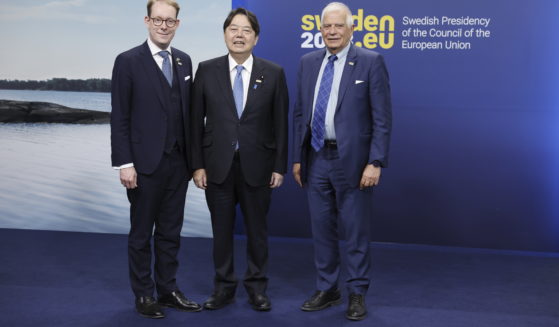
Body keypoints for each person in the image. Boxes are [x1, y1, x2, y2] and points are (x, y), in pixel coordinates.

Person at [292, 2, 392, 321]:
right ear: (319, 29)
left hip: (355, 161)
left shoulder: (370, 62)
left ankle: (357, 292)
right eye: (326, 26)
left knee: (355, 231)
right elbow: (299, 115)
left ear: (351, 28)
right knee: (321, 229)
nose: (332, 31)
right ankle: (328, 288)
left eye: (338, 26)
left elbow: (382, 118)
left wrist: (375, 161)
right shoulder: (308, 63)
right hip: (316, 157)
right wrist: (297, 158)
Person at [191, 8, 288, 312]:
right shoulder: (206, 70)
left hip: (258, 167)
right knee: (221, 232)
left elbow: (281, 124)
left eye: (246, 30)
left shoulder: (273, 73)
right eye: (233, 29)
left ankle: (257, 288)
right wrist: (197, 164)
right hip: (216, 166)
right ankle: (223, 288)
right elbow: (194, 123)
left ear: (256, 38)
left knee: (257, 232)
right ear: (224, 34)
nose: (239, 35)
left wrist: (279, 166)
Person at [110, 0, 201, 319]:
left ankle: (168, 289)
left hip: (179, 164)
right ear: (147, 21)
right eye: (158, 20)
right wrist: (124, 163)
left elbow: (189, 114)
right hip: (143, 165)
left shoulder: (185, 61)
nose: (164, 26)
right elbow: (119, 116)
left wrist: (195, 161)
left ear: (178, 24)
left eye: (170, 21)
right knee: (141, 234)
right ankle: (144, 294)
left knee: (170, 232)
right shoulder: (128, 61)